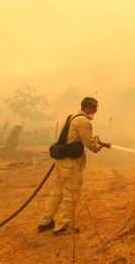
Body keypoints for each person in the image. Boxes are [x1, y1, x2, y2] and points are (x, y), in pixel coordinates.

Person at [37, 97, 106, 235]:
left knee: (58, 192)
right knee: (71, 193)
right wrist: (99, 146)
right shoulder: (83, 121)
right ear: (87, 107)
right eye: (94, 107)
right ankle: (62, 226)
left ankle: (44, 222)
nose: (96, 111)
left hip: (62, 161)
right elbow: (89, 144)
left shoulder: (73, 117)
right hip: (70, 163)